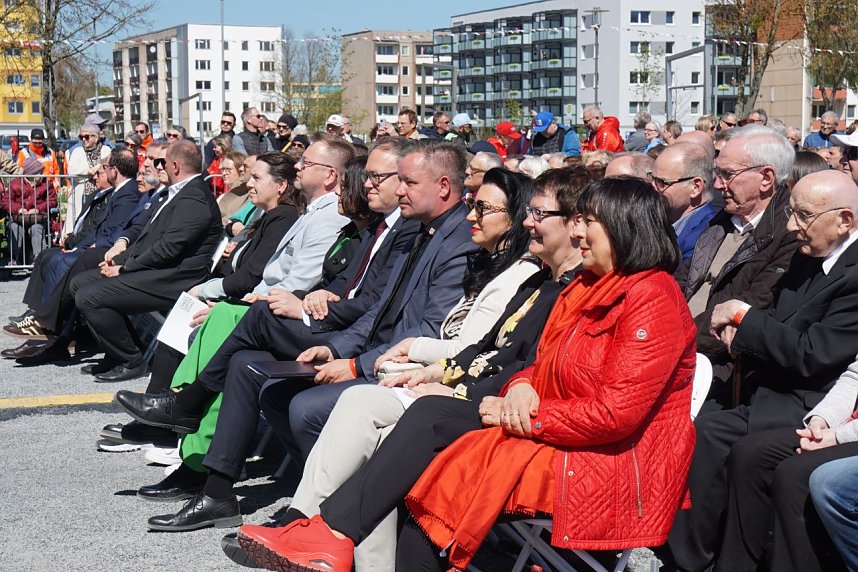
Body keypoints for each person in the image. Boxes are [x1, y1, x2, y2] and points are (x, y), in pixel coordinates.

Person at [238, 176, 696, 572]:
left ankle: (329, 533)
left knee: (437, 459)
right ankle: (330, 534)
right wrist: (518, 389)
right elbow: (538, 363)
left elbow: (616, 416)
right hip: (559, 432)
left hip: (609, 462)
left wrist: (525, 416)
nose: (576, 231)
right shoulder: (586, 288)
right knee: (431, 440)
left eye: (586, 221)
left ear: (622, 227)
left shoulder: (652, 299)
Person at [116, 140, 477, 532]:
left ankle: (320, 514)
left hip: (393, 365)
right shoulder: (417, 229)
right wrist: (335, 345)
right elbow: (376, 308)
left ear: (442, 186)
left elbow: (420, 329)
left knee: (278, 362)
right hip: (355, 342)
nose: (387, 187)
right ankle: (217, 492)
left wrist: (351, 360)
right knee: (245, 364)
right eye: (392, 179)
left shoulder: (449, 238)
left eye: (396, 179)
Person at [663, 169, 858, 572]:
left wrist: (744, 320)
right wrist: (747, 333)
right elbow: (781, 324)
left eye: (803, 216)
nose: (791, 226)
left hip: (813, 398)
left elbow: (812, 354)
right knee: (704, 430)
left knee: (732, 443)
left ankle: (700, 558)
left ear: (844, 221)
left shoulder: (854, 275)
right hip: (773, 384)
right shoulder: (811, 257)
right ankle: (688, 555)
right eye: (791, 213)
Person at [67, 140, 223, 382]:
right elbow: (147, 239)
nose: (156, 166)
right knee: (79, 283)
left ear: (175, 165)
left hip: (174, 278)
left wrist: (124, 268)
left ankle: (131, 360)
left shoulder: (195, 198)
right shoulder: (178, 193)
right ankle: (114, 354)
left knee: (89, 297)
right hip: (158, 270)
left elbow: (168, 249)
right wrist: (118, 259)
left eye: (162, 162)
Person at [673, 125, 798, 405]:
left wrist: (673, 342)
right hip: (676, 347)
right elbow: (682, 281)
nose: (717, 184)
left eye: (727, 175)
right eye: (718, 173)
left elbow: (751, 305)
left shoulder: (788, 233)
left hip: (718, 370)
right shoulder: (722, 219)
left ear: (766, 178)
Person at [651, 143, 718, 261]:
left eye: (662, 182)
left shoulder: (704, 237)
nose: (653, 187)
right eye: (652, 179)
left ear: (695, 187)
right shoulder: (662, 219)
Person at [64, 122, 111, 235]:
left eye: (87, 137)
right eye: (81, 137)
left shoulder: (106, 150)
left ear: (96, 137)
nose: (83, 140)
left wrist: (96, 168)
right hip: (81, 194)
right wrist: (89, 171)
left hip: (101, 193)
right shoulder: (77, 151)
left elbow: (107, 168)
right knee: (76, 223)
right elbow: (72, 172)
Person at [206, 133, 232, 197]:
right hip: (215, 194)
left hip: (226, 195)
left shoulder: (231, 161)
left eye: (216, 147)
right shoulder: (216, 160)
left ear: (224, 146)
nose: (213, 149)